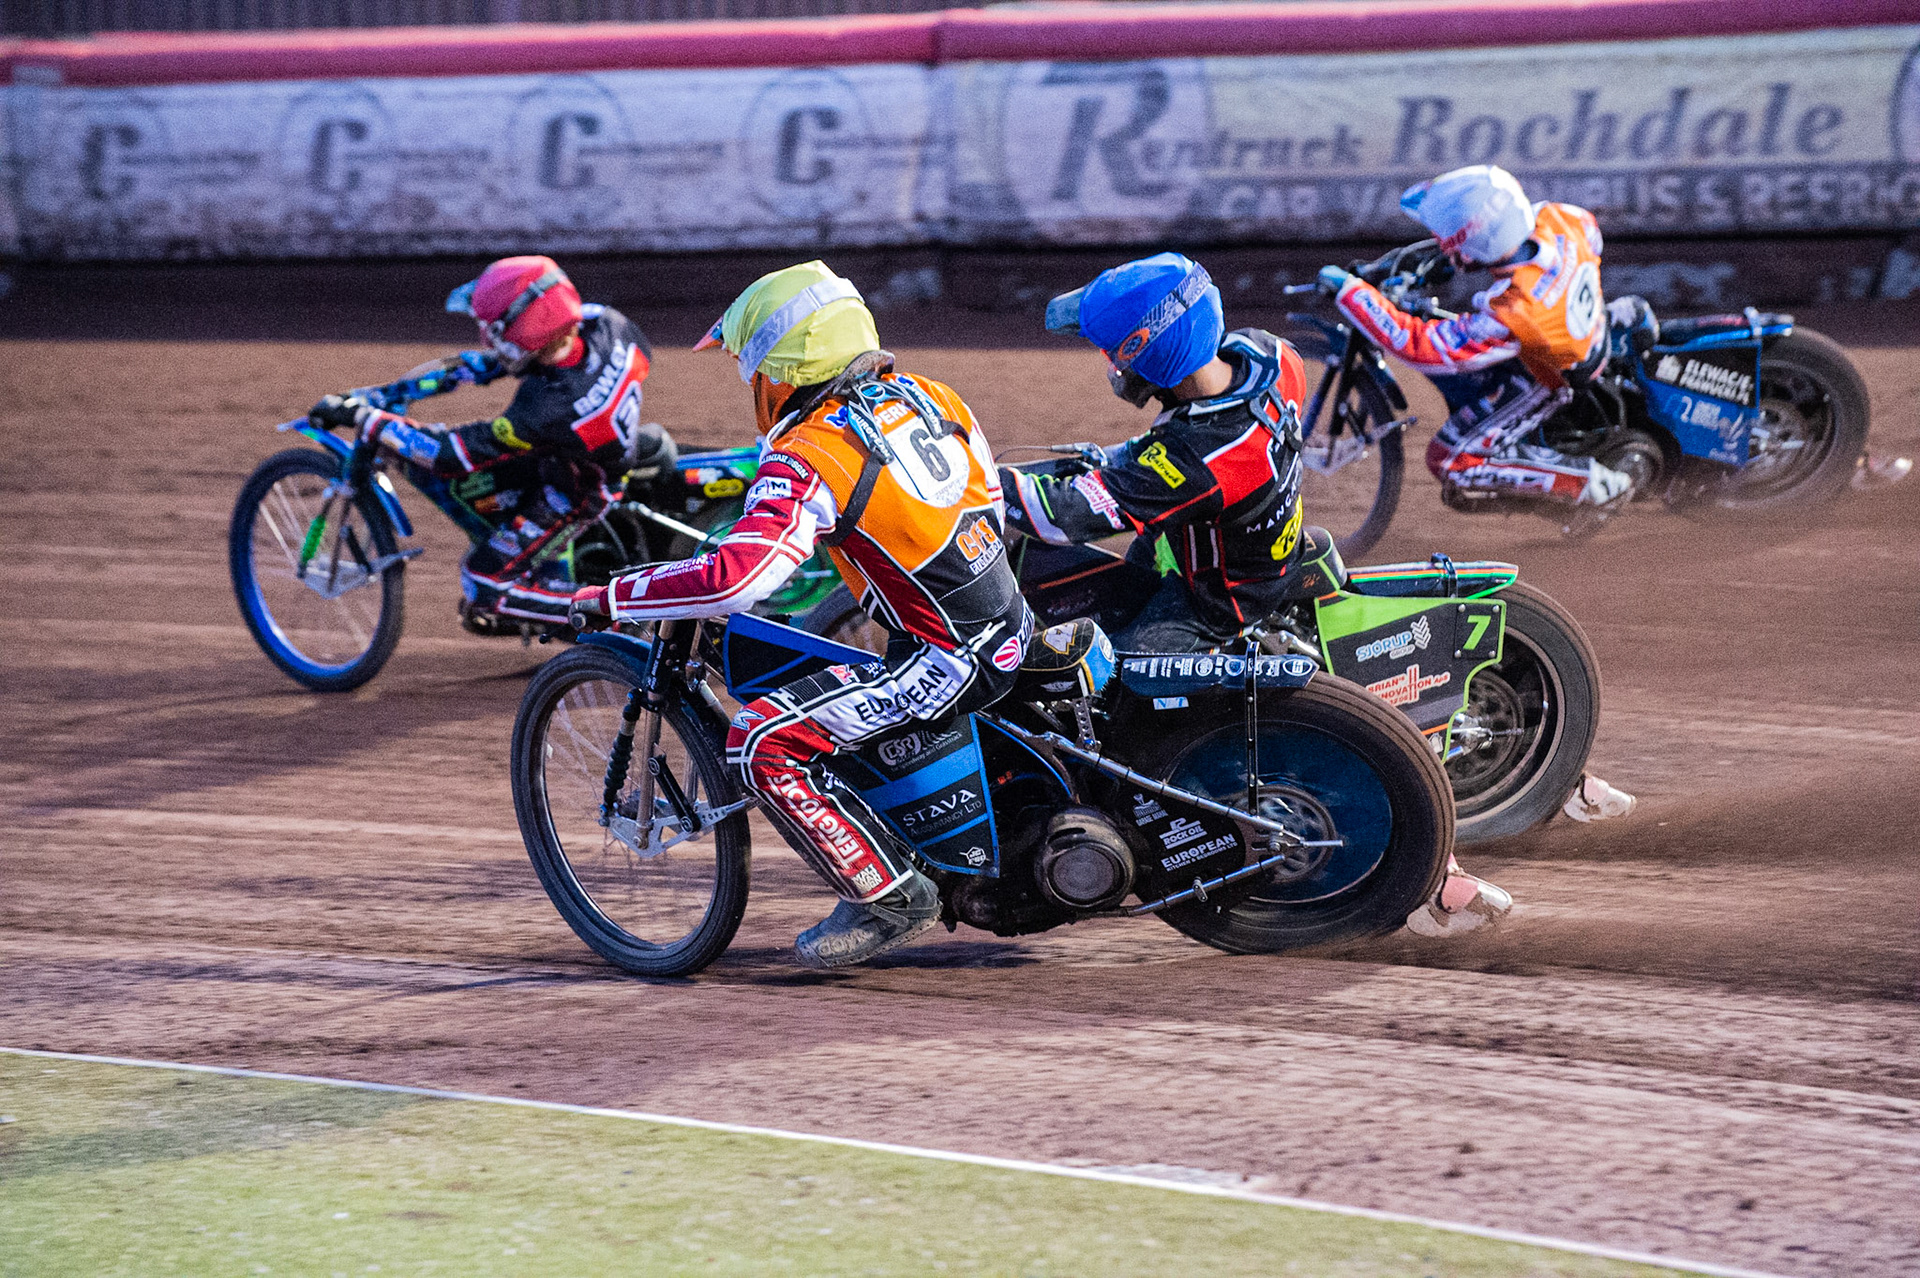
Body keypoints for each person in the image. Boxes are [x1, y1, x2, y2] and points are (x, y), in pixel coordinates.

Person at [1002, 251, 1513, 939]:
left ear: (1146, 357)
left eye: (1110, 351)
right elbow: (1156, 462)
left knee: (1111, 697)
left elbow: (1060, 514)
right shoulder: (1269, 358)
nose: (1107, 365)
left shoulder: (1195, 456)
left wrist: (966, 487)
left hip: (1217, 601)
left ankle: (1139, 834)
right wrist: (1118, 460)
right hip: (1265, 550)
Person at [568, 260, 1033, 969]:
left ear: (783, 371)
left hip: (948, 660)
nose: (750, 386)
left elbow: (735, 580)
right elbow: (985, 510)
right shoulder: (931, 396)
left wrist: (615, 595)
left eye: (751, 370)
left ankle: (890, 896)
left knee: (761, 740)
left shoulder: (810, 453)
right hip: (1005, 622)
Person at [309, 255, 673, 627]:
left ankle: (608, 619)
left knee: (482, 581)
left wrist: (365, 418)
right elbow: (508, 359)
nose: (487, 336)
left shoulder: (543, 408)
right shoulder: (610, 324)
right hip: (580, 449)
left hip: (578, 490)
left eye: (493, 330)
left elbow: (448, 454)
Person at [1318, 164, 1633, 529]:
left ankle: (1592, 484)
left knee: (1451, 460)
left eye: (1450, 241)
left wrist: (1351, 293)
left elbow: (1418, 345)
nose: (1442, 245)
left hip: (1547, 379)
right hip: (1590, 331)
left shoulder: (1513, 312)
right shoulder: (1559, 217)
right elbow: (1591, 237)